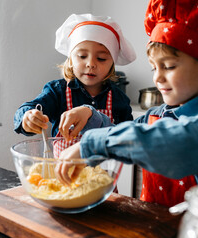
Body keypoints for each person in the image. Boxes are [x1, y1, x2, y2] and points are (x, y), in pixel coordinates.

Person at [55, 0, 198, 207]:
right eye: (154, 68)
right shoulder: (157, 115)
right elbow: (121, 135)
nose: (157, 78)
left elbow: (178, 143)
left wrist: (92, 143)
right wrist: (90, 114)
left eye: (169, 66)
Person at [14, 13, 136, 155]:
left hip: (103, 174)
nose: (90, 64)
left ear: (112, 64)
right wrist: (28, 118)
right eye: (82, 56)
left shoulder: (119, 99)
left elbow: (129, 138)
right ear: (70, 60)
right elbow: (28, 108)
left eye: (101, 58)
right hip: (64, 173)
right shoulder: (57, 92)